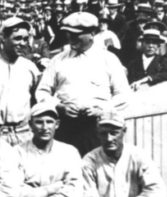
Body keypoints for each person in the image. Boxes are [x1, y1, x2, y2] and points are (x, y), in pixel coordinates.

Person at [36, 12, 129, 156]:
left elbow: (123, 95)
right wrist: (58, 106)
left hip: (98, 128)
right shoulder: (58, 60)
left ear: (92, 33)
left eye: (76, 34)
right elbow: (42, 91)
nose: (70, 38)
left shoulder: (108, 59)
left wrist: (101, 110)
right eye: (68, 34)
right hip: (65, 128)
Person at [0, 17, 40, 146]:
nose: (22, 43)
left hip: (24, 133)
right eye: (17, 38)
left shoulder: (30, 67)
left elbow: (37, 100)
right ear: (3, 38)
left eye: (25, 39)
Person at [126, 25, 167, 89]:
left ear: (158, 46)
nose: (150, 46)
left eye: (154, 43)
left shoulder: (163, 61)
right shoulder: (133, 64)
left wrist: (147, 78)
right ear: (142, 44)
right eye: (147, 42)